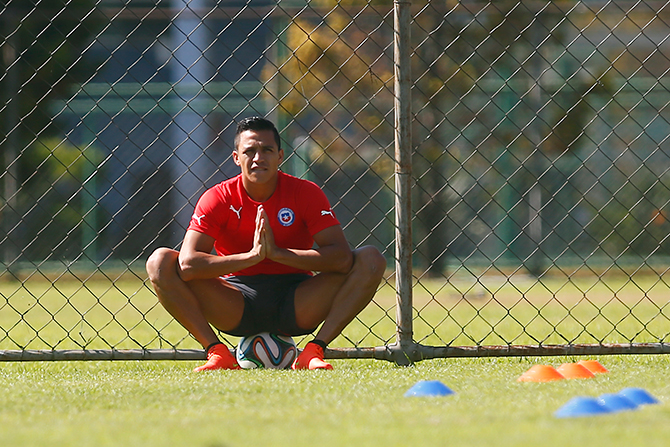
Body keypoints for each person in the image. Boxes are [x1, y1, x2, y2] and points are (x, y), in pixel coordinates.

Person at [146, 116, 386, 371]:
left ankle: (314, 351)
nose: (258, 158)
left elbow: (341, 258)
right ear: (236, 157)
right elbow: (188, 264)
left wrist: (279, 254)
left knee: (371, 259)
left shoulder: (305, 192)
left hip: (298, 299)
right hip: (236, 300)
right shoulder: (218, 196)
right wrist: (251, 257)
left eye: (267, 150)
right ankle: (217, 353)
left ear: (280, 156)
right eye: (250, 151)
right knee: (160, 261)